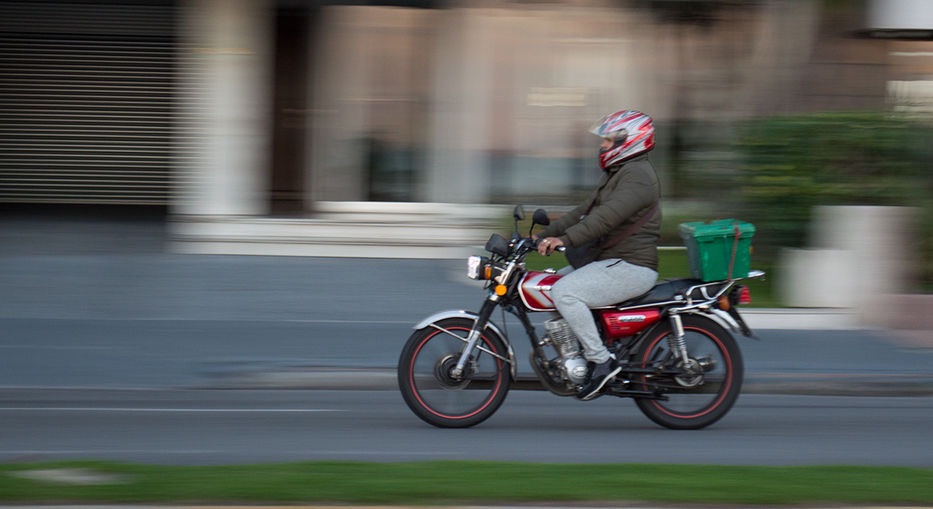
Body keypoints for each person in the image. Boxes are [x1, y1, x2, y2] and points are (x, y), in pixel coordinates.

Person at [536, 109, 661, 400]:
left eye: (608, 140)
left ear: (629, 141)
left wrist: (564, 240)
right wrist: (539, 237)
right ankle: (572, 360)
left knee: (566, 292)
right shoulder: (620, 173)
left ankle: (601, 361)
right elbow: (584, 212)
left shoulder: (639, 178)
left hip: (632, 266)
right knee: (551, 289)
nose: (602, 146)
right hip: (613, 261)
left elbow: (604, 219)